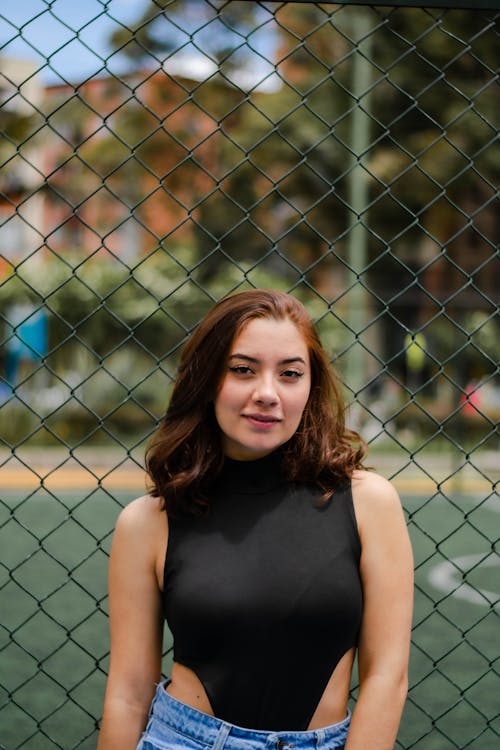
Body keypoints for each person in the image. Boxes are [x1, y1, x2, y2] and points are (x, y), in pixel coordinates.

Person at [97, 289, 413, 750]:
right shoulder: (148, 522)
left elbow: (387, 676)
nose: (267, 394)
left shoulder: (369, 503)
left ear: (311, 385)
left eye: (290, 374)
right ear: (206, 380)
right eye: (242, 370)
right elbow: (128, 695)